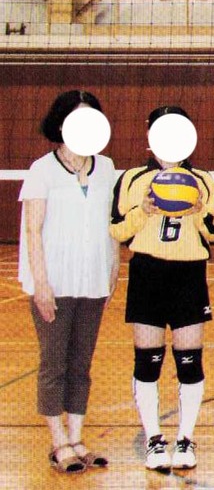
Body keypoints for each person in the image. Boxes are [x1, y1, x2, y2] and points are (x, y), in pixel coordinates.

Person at [110, 106, 214, 471]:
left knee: (189, 361)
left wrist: (199, 210)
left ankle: (185, 438)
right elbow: (117, 230)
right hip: (147, 273)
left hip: (188, 274)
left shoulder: (202, 180)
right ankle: (154, 439)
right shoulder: (132, 179)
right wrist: (143, 211)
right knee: (148, 361)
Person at [19, 90, 118, 474]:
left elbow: (112, 223)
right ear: (61, 124)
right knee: (54, 363)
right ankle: (58, 440)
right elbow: (32, 230)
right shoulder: (42, 170)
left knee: (81, 363)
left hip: (93, 280)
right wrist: (41, 284)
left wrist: (113, 269)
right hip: (55, 282)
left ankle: (77, 438)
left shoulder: (107, 168)